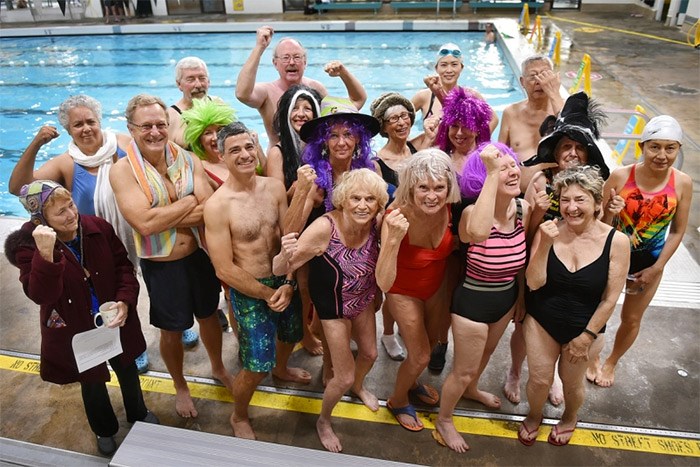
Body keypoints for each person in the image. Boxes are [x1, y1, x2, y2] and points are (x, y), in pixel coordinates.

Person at [6, 94, 183, 371]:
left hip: (143, 227)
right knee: (117, 294)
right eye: (78, 125)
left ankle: (176, 324)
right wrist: (37, 143)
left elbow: (164, 152)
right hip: (101, 241)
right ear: (68, 130)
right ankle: (131, 345)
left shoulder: (124, 144)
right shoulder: (66, 163)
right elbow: (19, 187)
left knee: (161, 281)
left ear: (100, 121)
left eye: (91, 121)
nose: (86, 128)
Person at [4, 181, 159, 456]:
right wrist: (45, 254)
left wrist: (124, 300)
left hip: (114, 319)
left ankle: (138, 412)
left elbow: (124, 265)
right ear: (41, 220)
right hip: (76, 325)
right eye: (60, 212)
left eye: (71, 205)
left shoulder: (97, 227)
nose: (71, 214)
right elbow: (41, 294)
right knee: (92, 379)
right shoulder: (28, 248)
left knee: (127, 368)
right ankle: (104, 428)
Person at [109, 94, 234, 419]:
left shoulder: (187, 159)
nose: (154, 132)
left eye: (160, 124)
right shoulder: (123, 171)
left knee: (209, 316)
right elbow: (144, 224)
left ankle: (218, 367)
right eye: (146, 126)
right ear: (131, 128)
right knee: (172, 330)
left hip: (199, 256)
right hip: (161, 266)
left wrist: (164, 211)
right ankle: (180, 385)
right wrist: (187, 202)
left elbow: (209, 209)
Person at [203, 122, 309, 440]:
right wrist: (267, 293)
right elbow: (223, 268)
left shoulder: (274, 188)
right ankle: (239, 416)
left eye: (249, 146)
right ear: (221, 156)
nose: (245, 154)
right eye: (235, 150)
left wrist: (288, 282)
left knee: (292, 334)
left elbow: (289, 237)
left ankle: (283, 368)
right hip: (250, 290)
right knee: (255, 364)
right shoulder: (218, 206)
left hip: (283, 280)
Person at [504, 92, 610, 406]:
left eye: (579, 147)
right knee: (524, 325)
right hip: (539, 261)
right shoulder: (540, 178)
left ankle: (553, 378)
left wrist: (611, 211)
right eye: (566, 146)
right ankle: (513, 370)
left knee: (562, 326)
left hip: (576, 268)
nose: (572, 153)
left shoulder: (598, 184)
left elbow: (602, 230)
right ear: (557, 149)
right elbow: (527, 231)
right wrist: (537, 210)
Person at [273, 169, 388, 453]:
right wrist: (284, 254)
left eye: (370, 199)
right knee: (342, 376)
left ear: (378, 204)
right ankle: (324, 420)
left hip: (362, 301)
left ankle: (359, 387)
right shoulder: (325, 228)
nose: (362, 205)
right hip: (333, 308)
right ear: (343, 201)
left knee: (371, 354)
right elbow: (279, 267)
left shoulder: (377, 223)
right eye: (355, 198)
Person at [519, 166, 629, 447]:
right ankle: (534, 414)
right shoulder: (551, 230)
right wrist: (544, 243)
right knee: (539, 380)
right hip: (543, 318)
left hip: (587, 324)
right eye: (565, 199)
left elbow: (610, 298)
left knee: (572, 384)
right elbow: (533, 283)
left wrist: (586, 336)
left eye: (580, 199)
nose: (571, 207)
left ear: (595, 203)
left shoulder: (616, 241)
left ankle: (569, 417)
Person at [433, 143, 530, 452]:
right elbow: (476, 235)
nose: (513, 170)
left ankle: (473, 389)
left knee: (485, 355)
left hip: (505, 299)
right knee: (462, 370)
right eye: (504, 168)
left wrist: (521, 300)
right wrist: (491, 173)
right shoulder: (473, 214)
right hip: (472, 302)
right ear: (484, 176)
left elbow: (520, 263)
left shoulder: (522, 210)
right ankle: (444, 419)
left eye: (513, 164)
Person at [589, 115, 692, 388]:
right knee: (597, 311)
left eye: (670, 148)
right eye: (654, 147)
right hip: (610, 259)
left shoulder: (682, 183)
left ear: (678, 149)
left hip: (649, 265)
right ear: (642, 147)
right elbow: (597, 225)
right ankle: (592, 358)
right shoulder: (621, 176)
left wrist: (656, 269)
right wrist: (610, 214)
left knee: (632, 318)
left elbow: (678, 231)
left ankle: (611, 361)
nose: (661, 155)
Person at [289, 96, 381, 384]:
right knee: (320, 310)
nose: (341, 142)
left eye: (348, 134)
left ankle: (338, 355)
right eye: (333, 135)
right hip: (323, 258)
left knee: (367, 310)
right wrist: (304, 193)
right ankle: (327, 361)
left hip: (361, 259)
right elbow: (292, 229)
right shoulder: (316, 175)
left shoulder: (370, 169)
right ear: (323, 141)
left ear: (358, 138)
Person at [376, 149, 461, 432]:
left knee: (433, 344)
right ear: (410, 187)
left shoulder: (448, 210)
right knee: (421, 355)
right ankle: (397, 399)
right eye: (423, 188)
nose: (431, 196)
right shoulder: (395, 216)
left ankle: (411, 383)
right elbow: (384, 283)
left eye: (439, 188)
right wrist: (392, 241)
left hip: (435, 289)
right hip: (402, 291)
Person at [427, 86, 494, 372]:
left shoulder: (488, 157)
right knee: (442, 299)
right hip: (445, 242)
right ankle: (440, 343)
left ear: (479, 128)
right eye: (453, 125)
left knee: (470, 303)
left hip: (480, 243)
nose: (459, 132)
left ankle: (467, 352)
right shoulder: (438, 156)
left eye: (466, 126)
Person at [369, 91, 433, 362]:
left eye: (405, 116)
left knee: (414, 285)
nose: (401, 122)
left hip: (421, 229)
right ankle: (387, 333)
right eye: (393, 118)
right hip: (394, 232)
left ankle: (409, 326)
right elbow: (378, 205)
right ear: (384, 127)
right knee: (392, 286)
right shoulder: (377, 162)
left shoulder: (419, 148)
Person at [235, 25, 367, 148]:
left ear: (305, 62)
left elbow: (356, 102)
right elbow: (242, 94)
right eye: (285, 58)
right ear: (275, 63)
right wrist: (259, 47)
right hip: (280, 163)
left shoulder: (315, 89)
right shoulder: (267, 92)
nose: (291, 62)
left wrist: (344, 73)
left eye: (297, 57)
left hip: (314, 162)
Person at [266, 84, 324, 356]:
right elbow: (276, 197)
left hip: (320, 220)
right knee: (300, 286)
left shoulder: (322, 146)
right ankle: (304, 334)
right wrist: (303, 187)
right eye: (295, 108)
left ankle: (314, 326)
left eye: (307, 108)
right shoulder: (278, 151)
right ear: (285, 114)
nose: (301, 114)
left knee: (317, 283)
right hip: (292, 222)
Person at [498, 54, 566, 192]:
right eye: (533, 76)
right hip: (518, 195)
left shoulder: (565, 111)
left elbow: (574, 136)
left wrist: (554, 94)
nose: (539, 81)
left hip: (559, 196)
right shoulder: (510, 113)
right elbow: (500, 156)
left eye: (545, 75)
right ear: (522, 82)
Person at [411, 43, 498, 132]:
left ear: (461, 67)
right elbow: (402, 118)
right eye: (444, 65)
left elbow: (493, 119)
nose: (449, 70)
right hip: (432, 145)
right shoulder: (423, 96)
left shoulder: (471, 95)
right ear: (437, 68)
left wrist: (478, 142)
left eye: (454, 64)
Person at [168, 57, 218, 148]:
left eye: (202, 78)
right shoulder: (171, 117)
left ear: (209, 81)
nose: (198, 85)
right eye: (190, 80)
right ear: (179, 84)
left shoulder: (218, 103)